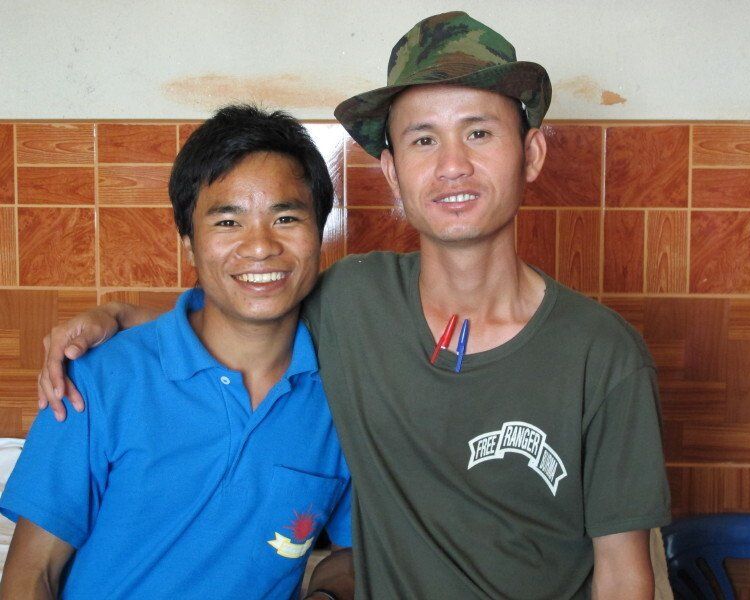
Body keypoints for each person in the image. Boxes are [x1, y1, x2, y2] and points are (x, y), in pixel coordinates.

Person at [36, 12, 670, 599]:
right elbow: (242, 313)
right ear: (392, 172)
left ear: (530, 153)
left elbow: (622, 571)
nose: (452, 165)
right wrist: (114, 319)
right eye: (423, 140)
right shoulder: (353, 302)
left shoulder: (603, 355)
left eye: (479, 132)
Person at [0, 106, 353, 600]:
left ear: (320, 233)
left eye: (286, 217)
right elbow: (32, 575)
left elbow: (356, 555)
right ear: (188, 242)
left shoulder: (347, 393)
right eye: (228, 221)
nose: (259, 247)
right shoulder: (100, 379)